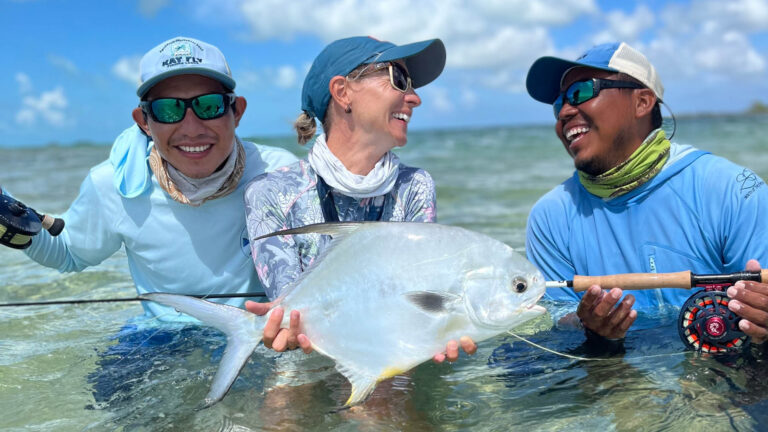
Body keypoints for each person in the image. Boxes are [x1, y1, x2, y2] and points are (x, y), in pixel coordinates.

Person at [4, 36, 297, 320]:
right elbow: (68, 253)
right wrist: (10, 219)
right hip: (161, 340)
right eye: (168, 109)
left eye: (209, 105)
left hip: (259, 333)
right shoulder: (114, 184)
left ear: (237, 111)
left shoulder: (281, 175)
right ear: (144, 121)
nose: (192, 128)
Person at [243, 36, 476, 362]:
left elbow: (416, 300)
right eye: (399, 79)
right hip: (306, 361)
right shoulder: (270, 193)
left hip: (390, 356)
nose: (415, 98)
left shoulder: (415, 186)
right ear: (343, 92)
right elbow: (292, 314)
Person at [524, 42, 768, 347]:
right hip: (615, 374)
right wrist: (585, 325)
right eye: (559, 104)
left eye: (581, 92)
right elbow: (558, 316)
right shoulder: (549, 216)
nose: (565, 112)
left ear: (642, 102)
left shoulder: (734, 189)